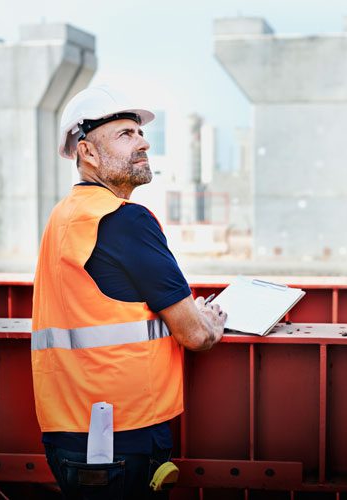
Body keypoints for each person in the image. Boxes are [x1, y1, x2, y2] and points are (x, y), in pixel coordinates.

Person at [31, 85, 227, 499]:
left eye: (140, 134)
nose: (143, 142)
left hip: (67, 432)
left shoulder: (63, 216)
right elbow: (195, 336)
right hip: (121, 436)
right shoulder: (125, 221)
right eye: (125, 134)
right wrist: (210, 323)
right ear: (87, 153)